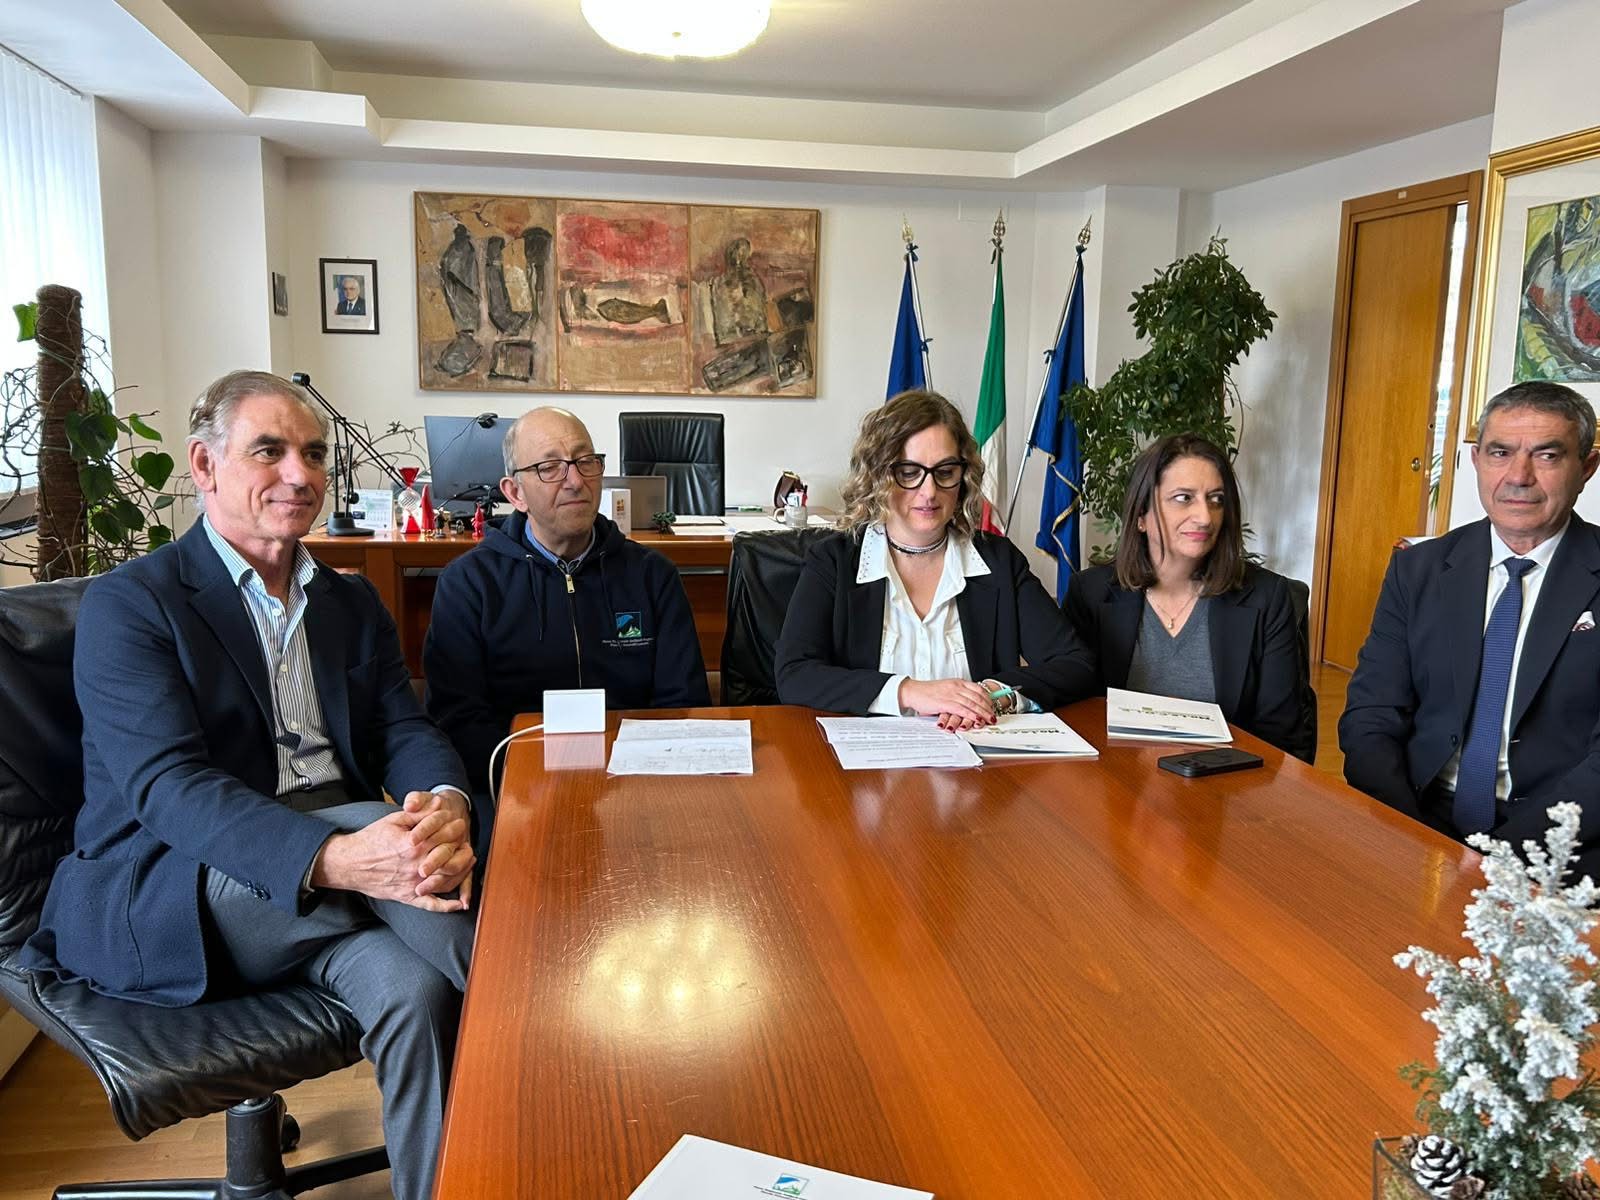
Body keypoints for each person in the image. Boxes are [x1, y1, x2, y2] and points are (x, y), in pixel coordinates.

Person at [20, 371, 475, 1200]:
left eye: (314, 454)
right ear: (204, 465)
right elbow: (167, 787)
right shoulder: (133, 604)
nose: (300, 474)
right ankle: (543, 1007)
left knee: (414, 993)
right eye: (269, 451)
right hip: (177, 886)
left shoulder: (350, 602)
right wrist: (342, 856)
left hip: (338, 895)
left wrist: (443, 805)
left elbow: (402, 729)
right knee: (409, 861)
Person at [1340, 380, 1600, 874]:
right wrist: (1410, 833)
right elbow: (1372, 712)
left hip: (1560, 839)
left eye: (1547, 455)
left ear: (1586, 468)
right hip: (1420, 813)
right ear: (1476, 460)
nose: (1518, 476)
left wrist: (1494, 861)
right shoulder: (1418, 569)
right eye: (1500, 452)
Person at [423, 407, 710, 806]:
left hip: (635, 787)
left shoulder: (652, 575)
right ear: (515, 493)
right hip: (517, 792)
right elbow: (457, 720)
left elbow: (683, 704)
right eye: (550, 468)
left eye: (585, 461)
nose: (575, 481)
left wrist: (623, 777)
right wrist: (537, 779)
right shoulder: (469, 583)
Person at [774, 389, 1097, 723]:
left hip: (975, 750)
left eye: (945, 472)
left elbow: (1075, 662)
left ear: (963, 477)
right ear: (878, 476)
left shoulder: (999, 561)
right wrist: (909, 691)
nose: (929, 492)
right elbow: (794, 673)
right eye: (909, 472)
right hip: (866, 751)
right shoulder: (834, 561)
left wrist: (992, 694)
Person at [1063, 434, 1316, 761]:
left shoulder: (1267, 597)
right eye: (1184, 498)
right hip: (1119, 781)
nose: (1205, 517)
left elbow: (1281, 737)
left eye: (1216, 499)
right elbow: (1073, 714)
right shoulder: (1090, 594)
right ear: (1141, 515)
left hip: (1228, 781)